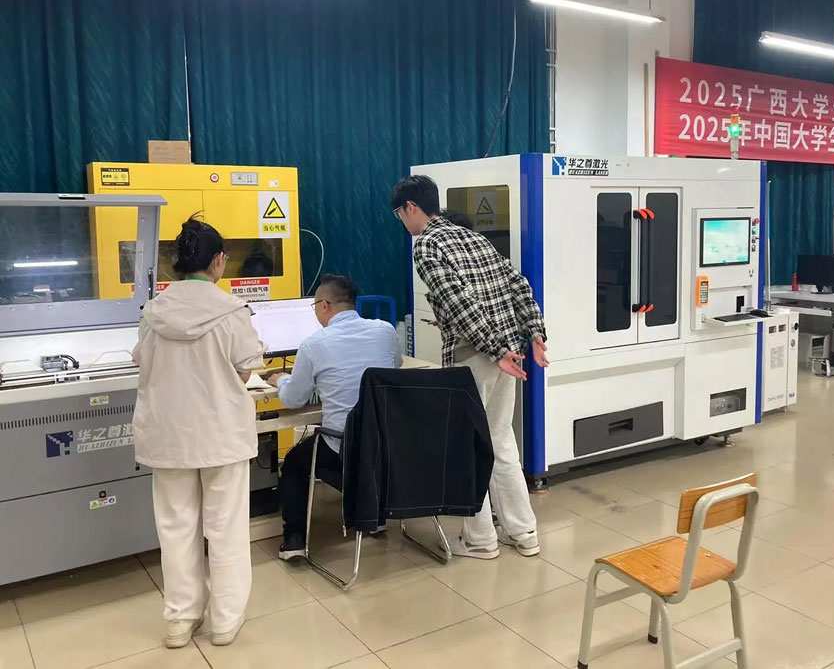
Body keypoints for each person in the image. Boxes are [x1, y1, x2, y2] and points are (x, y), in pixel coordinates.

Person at [391, 175, 548, 560]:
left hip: (476, 357)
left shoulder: (426, 244)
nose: (402, 222)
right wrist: (535, 333)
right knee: (501, 440)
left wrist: (493, 349)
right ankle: (524, 532)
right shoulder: (474, 238)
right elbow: (518, 284)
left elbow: (458, 301)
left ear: (411, 207)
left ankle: (480, 540)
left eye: (400, 214)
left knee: (467, 444)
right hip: (508, 353)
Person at [132, 216, 265, 650]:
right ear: (219, 261)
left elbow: (143, 363)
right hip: (221, 435)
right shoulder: (231, 312)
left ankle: (180, 619)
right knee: (225, 528)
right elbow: (245, 370)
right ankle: (224, 621)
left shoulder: (154, 312)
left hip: (167, 436)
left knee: (175, 529)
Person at [267, 274, 400, 560]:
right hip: (385, 443)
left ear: (324, 305)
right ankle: (373, 516)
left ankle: (294, 541)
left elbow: (293, 399)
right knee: (358, 452)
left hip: (343, 446)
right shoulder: (386, 331)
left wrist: (280, 380)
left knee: (294, 463)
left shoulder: (314, 345)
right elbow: (394, 366)